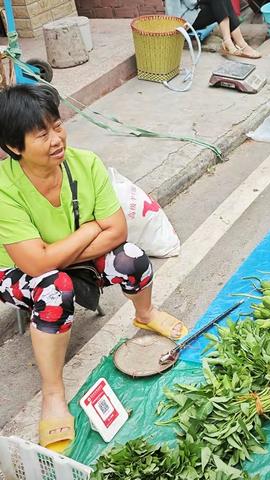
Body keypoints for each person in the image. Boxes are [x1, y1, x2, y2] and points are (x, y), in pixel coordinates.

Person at [0, 84, 188, 453]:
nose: (56, 139)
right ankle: (53, 393)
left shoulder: (85, 163)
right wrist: (88, 230)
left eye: (57, 126)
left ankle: (145, 313)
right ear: (14, 147)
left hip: (67, 256)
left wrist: (59, 252)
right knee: (54, 288)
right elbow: (33, 264)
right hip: (15, 272)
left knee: (131, 256)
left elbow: (117, 231)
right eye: (42, 134)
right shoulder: (5, 187)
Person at [165, 0, 262, 59]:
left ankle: (234, 42)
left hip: (196, 10)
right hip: (185, 21)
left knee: (223, 3)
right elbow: (188, 3)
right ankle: (239, 44)